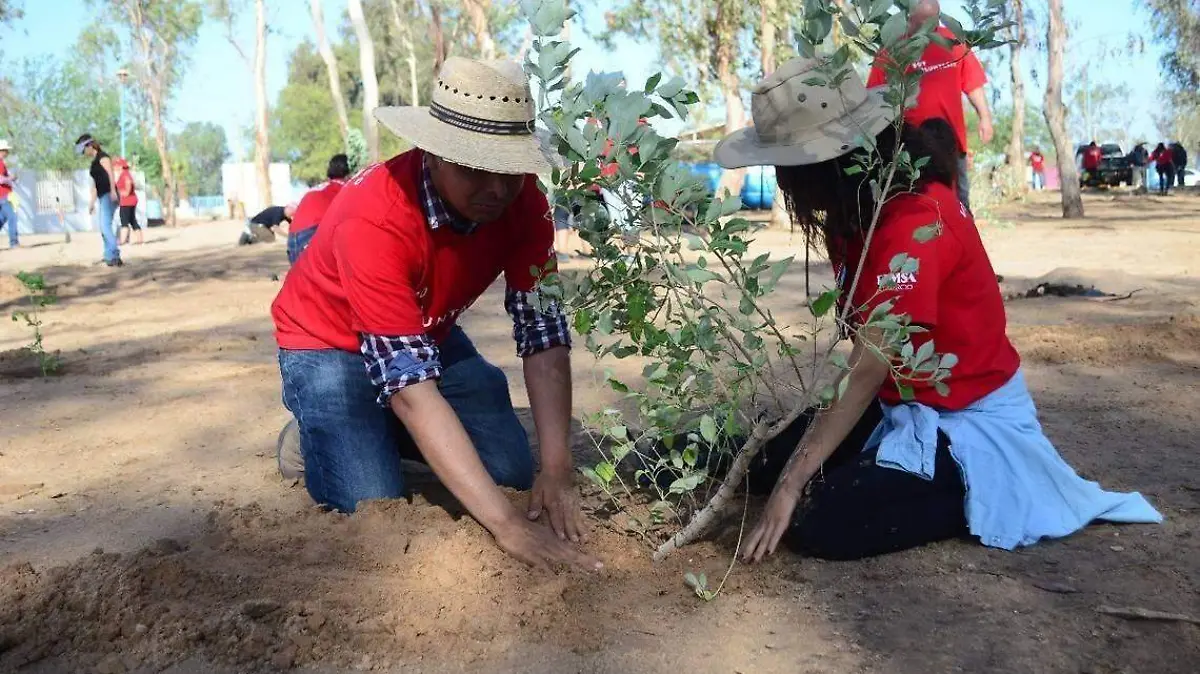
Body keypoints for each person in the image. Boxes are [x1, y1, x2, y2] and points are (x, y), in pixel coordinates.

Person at [712, 57, 1162, 562]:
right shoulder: (856, 208)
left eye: (787, 165)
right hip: (900, 400)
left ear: (825, 163)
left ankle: (980, 487)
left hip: (965, 417)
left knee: (820, 519)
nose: (782, 179)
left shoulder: (915, 219)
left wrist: (795, 482)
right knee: (763, 458)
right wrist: (794, 463)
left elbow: (869, 365)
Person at [271, 56, 600, 572]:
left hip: (423, 329)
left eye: (509, 172)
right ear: (435, 154)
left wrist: (557, 467)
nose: (496, 190)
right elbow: (411, 391)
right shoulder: (375, 217)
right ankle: (315, 436)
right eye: (476, 169)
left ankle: (385, 434)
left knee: (512, 470)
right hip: (327, 344)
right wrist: (508, 526)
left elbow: (544, 334)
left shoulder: (525, 204)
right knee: (372, 499)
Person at [866, 0, 993, 212]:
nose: (929, 27)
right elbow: (874, 96)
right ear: (910, 18)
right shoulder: (892, 48)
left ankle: (963, 240)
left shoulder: (954, 41)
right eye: (924, 21)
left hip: (952, 142)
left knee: (959, 204)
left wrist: (985, 118)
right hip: (910, 145)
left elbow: (972, 83)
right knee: (914, 204)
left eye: (933, 21)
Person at [287, 154, 351, 264]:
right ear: (349, 172)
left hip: (292, 244)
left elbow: (289, 211)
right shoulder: (347, 189)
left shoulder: (316, 188)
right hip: (311, 239)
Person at [76, 134, 122, 267]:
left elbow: (110, 174)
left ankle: (115, 254)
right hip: (102, 195)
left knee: (105, 226)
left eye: (84, 149)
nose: (83, 153)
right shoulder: (94, 162)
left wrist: (113, 191)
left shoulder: (103, 157)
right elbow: (96, 184)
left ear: (90, 145)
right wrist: (92, 202)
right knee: (104, 227)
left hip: (109, 194)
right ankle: (109, 256)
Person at [114, 158, 143, 246]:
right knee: (132, 220)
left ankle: (122, 241)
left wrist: (125, 192)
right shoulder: (125, 174)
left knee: (124, 221)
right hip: (130, 201)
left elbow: (128, 183)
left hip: (126, 201)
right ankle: (140, 239)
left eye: (116, 165)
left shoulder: (125, 175)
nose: (115, 167)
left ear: (121, 166)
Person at [0, 139, 18, 248]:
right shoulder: (0, 163)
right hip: (4, 195)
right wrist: (10, 178)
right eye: (6, 150)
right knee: (12, 216)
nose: (7, 153)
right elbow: (1, 180)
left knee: (2, 218)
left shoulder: (2, 163)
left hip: (3, 195)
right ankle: (14, 243)